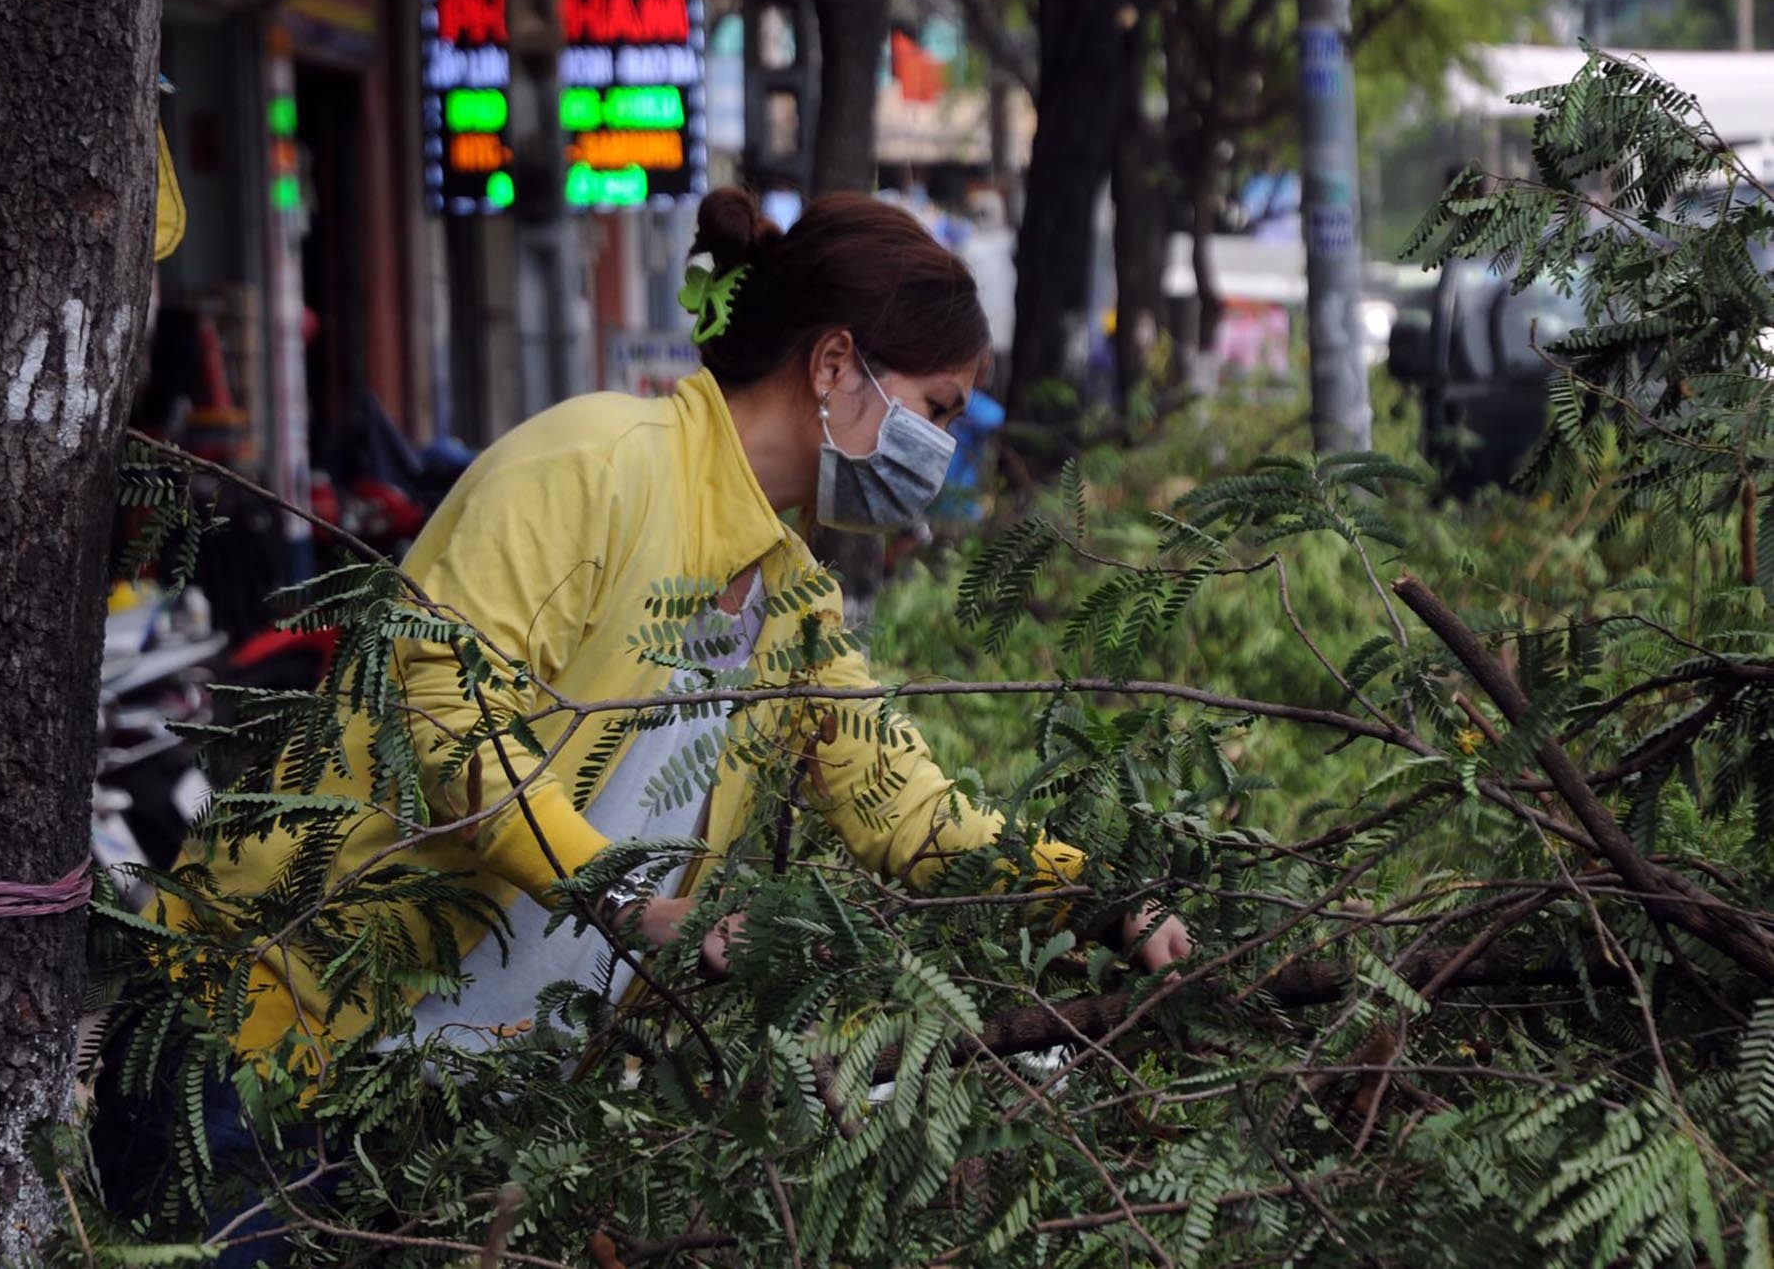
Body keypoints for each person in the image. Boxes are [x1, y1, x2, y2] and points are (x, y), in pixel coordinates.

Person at [112, 190, 1189, 1250]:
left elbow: (906, 810)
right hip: (253, 1033)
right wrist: (627, 902)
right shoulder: (595, 463)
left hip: (436, 1107)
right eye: (939, 407)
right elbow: (446, 719)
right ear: (832, 364)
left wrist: (1098, 900)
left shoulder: (790, 600)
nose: (943, 447)